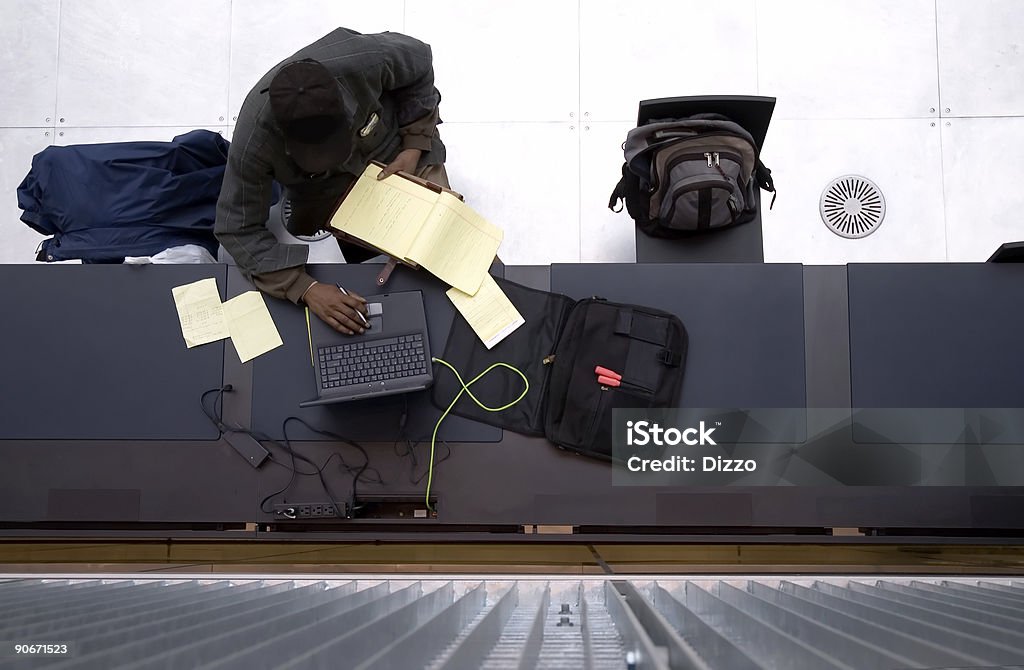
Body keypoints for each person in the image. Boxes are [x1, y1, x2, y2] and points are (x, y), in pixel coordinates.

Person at [215, 27, 448, 335]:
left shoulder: (363, 59)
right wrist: (305, 287)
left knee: (447, 245)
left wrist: (414, 147)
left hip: (394, 156)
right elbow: (236, 229)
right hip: (323, 192)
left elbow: (419, 64)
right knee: (368, 278)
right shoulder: (253, 142)